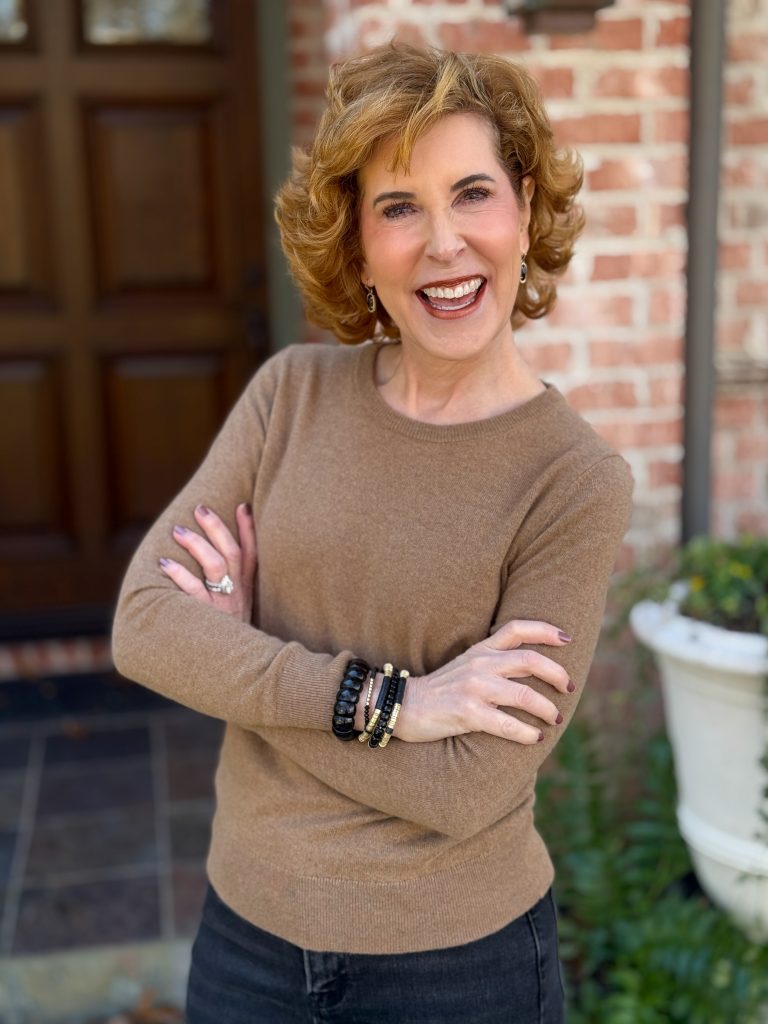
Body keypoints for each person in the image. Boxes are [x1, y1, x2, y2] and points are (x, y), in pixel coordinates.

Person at [112, 43, 633, 1024]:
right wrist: (389, 701)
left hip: (458, 973)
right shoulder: (289, 397)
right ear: (356, 238)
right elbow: (144, 627)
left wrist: (237, 656)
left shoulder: (574, 480)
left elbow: (471, 784)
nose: (443, 245)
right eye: (399, 207)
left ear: (523, 204)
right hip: (247, 946)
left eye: (472, 192)